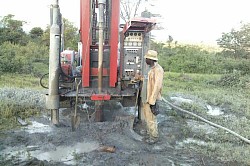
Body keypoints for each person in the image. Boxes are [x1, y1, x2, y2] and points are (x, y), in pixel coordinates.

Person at [140, 49, 164, 144]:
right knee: (147, 117)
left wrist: (152, 101)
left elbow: (157, 86)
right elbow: (148, 81)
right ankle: (149, 132)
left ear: (151, 59)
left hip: (151, 99)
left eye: (147, 59)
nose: (145, 60)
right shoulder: (151, 69)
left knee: (151, 119)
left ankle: (154, 137)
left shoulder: (158, 70)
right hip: (146, 97)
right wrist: (140, 78)